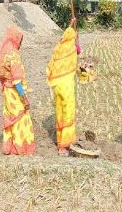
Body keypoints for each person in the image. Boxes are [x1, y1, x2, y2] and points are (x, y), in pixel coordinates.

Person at [0, 27, 36, 156]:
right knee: (21, 119)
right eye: (20, 40)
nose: (20, 43)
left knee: (10, 118)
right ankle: (20, 148)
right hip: (14, 93)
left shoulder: (4, 51)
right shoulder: (13, 54)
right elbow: (17, 81)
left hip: (7, 93)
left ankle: (8, 147)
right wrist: (24, 98)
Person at [46, 18, 81, 155]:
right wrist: (76, 37)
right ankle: (66, 146)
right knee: (68, 113)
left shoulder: (58, 48)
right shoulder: (72, 49)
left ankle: (60, 142)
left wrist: (71, 25)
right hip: (67, 86)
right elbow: (78, 49)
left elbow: (64, 37)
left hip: (57, 87)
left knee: (59, 113)